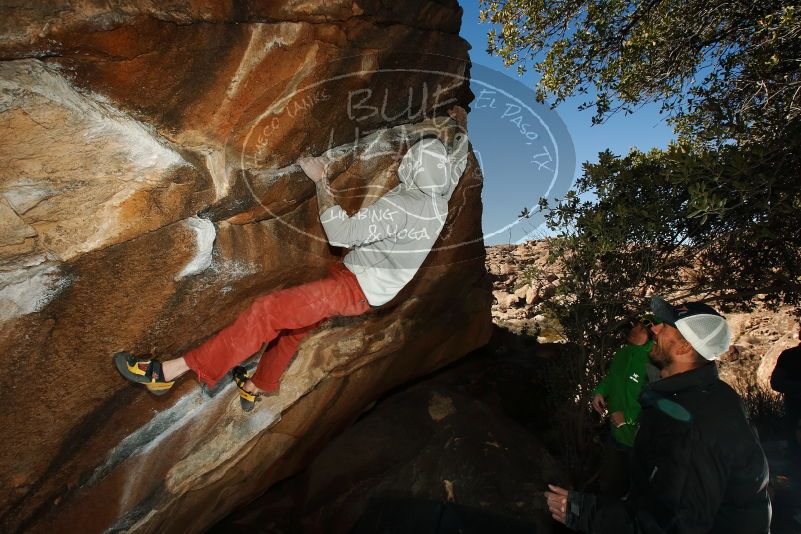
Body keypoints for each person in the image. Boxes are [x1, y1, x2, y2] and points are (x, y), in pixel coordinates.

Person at [114, 108, 469, 411]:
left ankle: (169, 373)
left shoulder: (404, 204)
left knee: (268, 311)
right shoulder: (441, 198)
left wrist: (321, 181)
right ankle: (257, 387)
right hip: (365, 287)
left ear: (414, 165)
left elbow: (342, 235)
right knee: (294, 327)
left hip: (354, 287)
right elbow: (456, 161)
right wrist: (462, 124)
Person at [546, 296, 771, 533]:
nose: (654, 328)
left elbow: (673, 525)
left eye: (665, 326)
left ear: (685, 346)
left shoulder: (691, 430)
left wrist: (587, 513)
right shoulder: (706, 394)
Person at [591, 315, 660, 497]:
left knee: (639, 489)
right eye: (635, 326)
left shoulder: (653, 362)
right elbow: (611, 378)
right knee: (612, 484)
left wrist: (628, 419)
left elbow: (658, 405)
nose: (633, 330)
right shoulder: (622, 353)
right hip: (616, 434)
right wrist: (599, 392)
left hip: (639, 442)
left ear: (649, 335)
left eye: (639, 328)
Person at [770, 330, 801, 458]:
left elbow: (776, 382)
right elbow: (776, 383)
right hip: (796, 414)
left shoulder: (788, 356)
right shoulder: (789, 356)